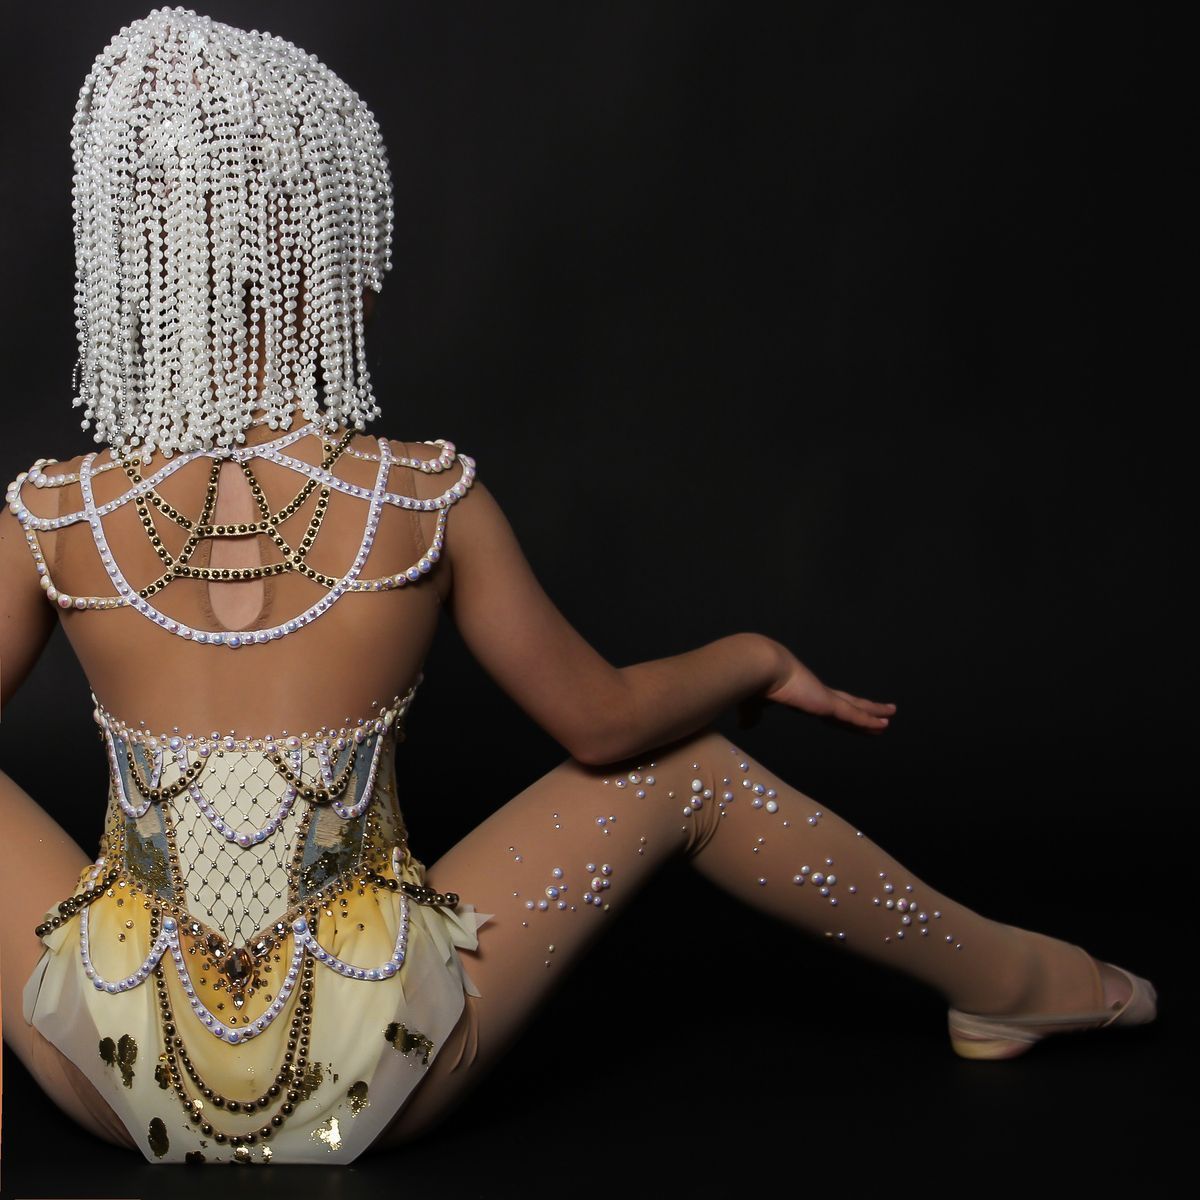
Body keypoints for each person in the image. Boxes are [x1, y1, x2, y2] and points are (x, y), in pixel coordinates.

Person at [0, 7, 1157, 1167]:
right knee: (685, 772)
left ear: (133, 261)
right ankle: (1016, 980)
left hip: (115, 1071)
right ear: (324, 244)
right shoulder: (422, 496)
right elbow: (604, 725)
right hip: (374, 1069)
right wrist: (751, 657)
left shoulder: (53, 512)